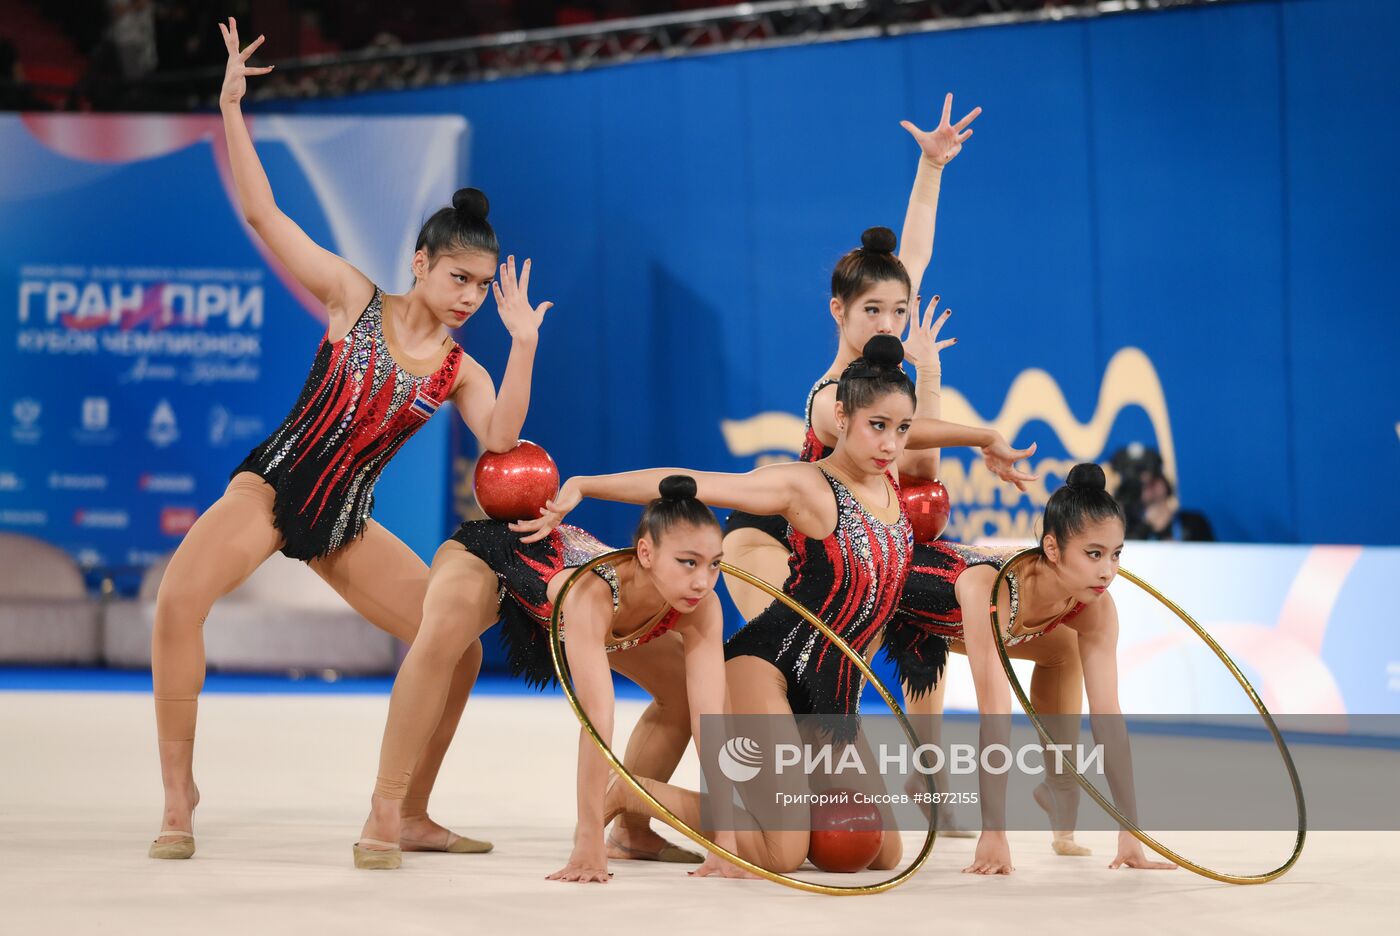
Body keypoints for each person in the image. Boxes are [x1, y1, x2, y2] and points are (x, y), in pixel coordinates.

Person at [147, 18, 552, 860]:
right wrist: (230, 108)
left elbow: (505, 438)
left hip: (344, 522)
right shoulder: (351, 299)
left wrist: (522, 345)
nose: (470, 295)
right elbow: (262, 213)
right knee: (180, 603)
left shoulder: (461, 368)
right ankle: (179, 794)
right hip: (275, 488)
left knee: (460, 646)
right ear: (420, 263)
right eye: (458, 278)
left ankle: (407, 810)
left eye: (481, 285)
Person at [516, 336, 1036, 874]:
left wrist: (982, 438)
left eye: (900, 430)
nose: (890, 443)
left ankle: (761, 812)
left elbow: (911, 424)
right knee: (779, 853)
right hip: (767, 670)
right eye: (875, 426)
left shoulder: (891, 482)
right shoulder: (806, 486)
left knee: (880, 853)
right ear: (841, 416)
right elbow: (696, 485)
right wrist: (585, 485)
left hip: (832, 700)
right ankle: (632, 792)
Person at [353, 477, 738, 882]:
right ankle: (389, 809)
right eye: (688, 562)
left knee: (680, 691)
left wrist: (727, 843)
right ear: (645, 552)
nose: (703, 581)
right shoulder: (594, 592)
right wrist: (587, 841)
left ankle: (631, 830)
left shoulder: (701, 605)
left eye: (714, 564)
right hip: (492, 557)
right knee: (443, 637)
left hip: (568, 604)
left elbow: (711, 720)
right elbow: (596, 720)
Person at [889, 464, 1178, 875]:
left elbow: (1108, 718)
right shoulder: (994, 588)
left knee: (1064, 652)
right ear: (1053, 548)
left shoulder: (1094, 605)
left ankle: (1060, 785)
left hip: (970, 624)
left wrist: (1130, 830)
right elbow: (994, 716)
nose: (1107, 571)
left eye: (1116, 555)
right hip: (893, 600)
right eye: (1093, 554)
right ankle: (924, 776)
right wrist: (995, 832)